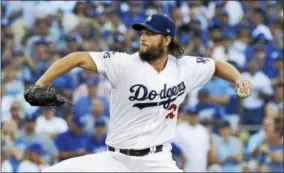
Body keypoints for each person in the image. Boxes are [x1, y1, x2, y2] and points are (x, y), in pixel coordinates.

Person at [30, 14, 251, 172]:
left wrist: (238, 79)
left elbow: (217, 65)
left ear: (166, 40)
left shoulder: (185, 68)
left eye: (150, 34)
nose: (143, 37)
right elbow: (77, 58)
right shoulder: (123, 64)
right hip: (116, 159)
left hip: (157, 161)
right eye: (142, 32)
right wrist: (40, 84)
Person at [174, 106, 210, 172]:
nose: (194, 117)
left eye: (196, 115)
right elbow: (172, 147)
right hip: (185, 168)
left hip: (201, 167)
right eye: (192, 115)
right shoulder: (179, 129)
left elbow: (207, 150)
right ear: (187, 116)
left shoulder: (203, 130)